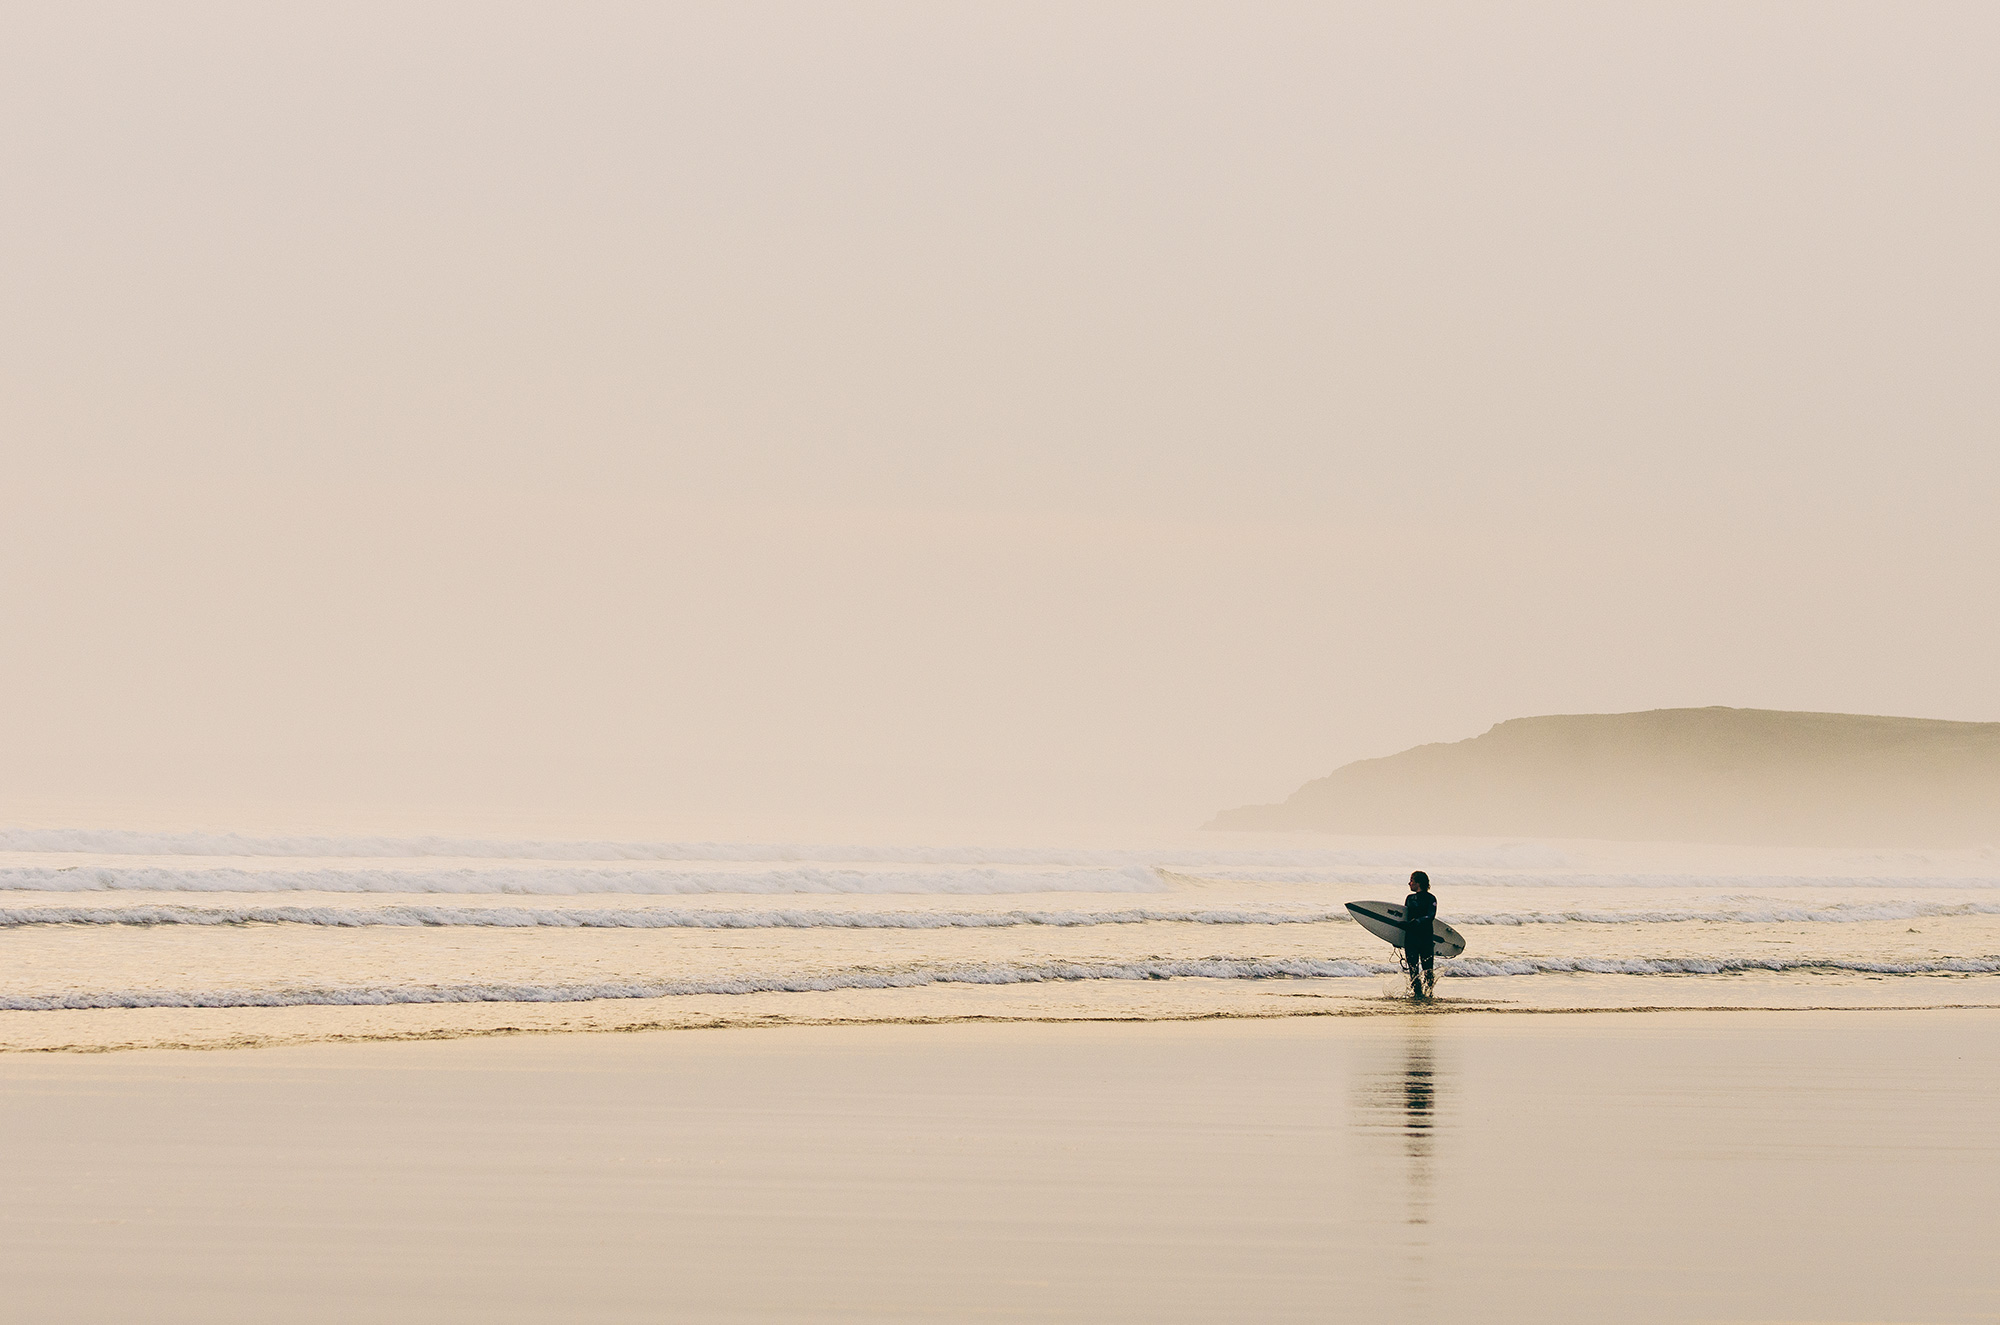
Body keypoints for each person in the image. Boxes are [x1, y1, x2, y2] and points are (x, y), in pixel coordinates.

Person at [1402, 871, 1437, 998]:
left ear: (1418, 883)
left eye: (1411, 880)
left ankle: (1429, 994)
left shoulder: (1431, 898)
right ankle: (1417, 995)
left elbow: (1430, 916)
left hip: (1426, 938)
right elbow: (1404, 917)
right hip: (1411, 939)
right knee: (1413, 969)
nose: (1409, 883)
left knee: (1428, 969)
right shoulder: (1410, 898)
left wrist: (1416, 922)